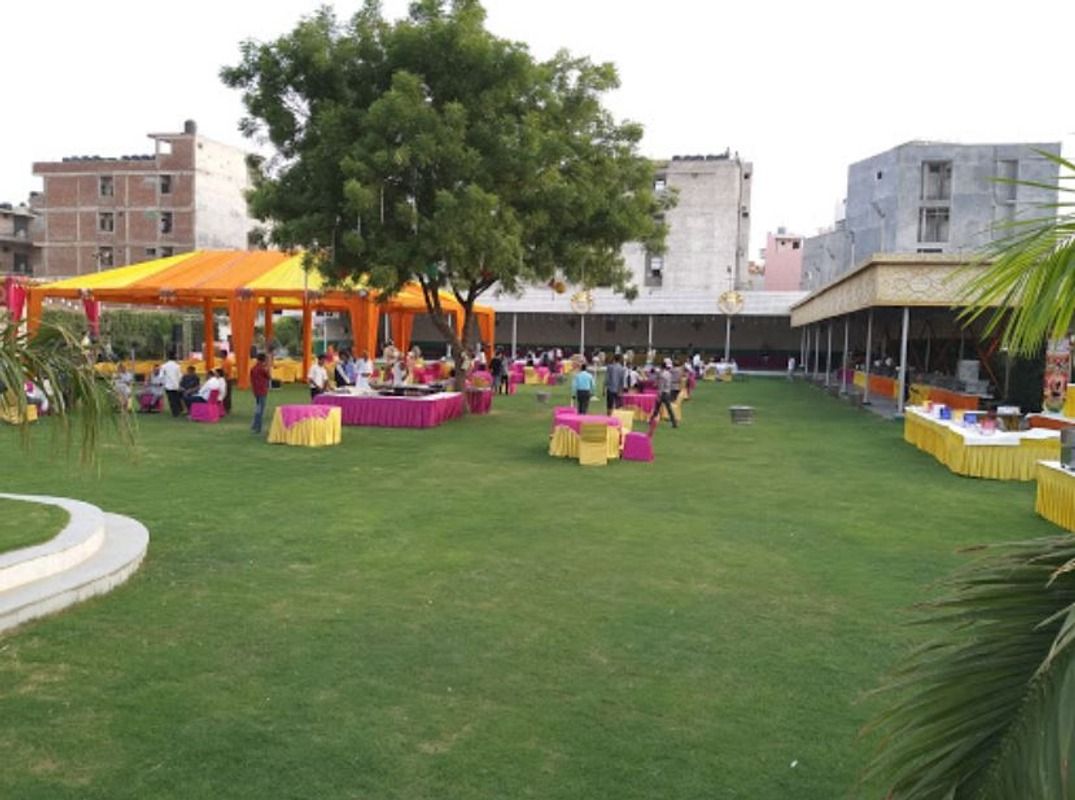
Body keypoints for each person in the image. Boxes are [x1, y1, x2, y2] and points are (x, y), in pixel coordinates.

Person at [650, 359, 679, 428]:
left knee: (657, 408)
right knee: (668, 409)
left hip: (663, 393)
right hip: (667, 392)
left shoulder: (662, 375)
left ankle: (651, 420)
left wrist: (659, 395)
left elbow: (661, 386)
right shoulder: (668, 373)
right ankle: (674, 423)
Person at [250, 350, 273, 434]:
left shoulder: (253, 368)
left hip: (256, 390)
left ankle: (254, 425)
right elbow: (269, 376)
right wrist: (268, 366)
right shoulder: (262, 369)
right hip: (262, 390)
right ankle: (258, 427)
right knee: (260, 410)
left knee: (257, 408)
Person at [160, 351, 183, 417]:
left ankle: (175, 412)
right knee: (176, 398)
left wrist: (164, 383)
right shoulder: (177, 366)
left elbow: (161, 376)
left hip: (168, 385)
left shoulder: (164, 366)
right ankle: (179, 410)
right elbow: (180, 376)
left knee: (171, 399)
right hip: (176, 385)